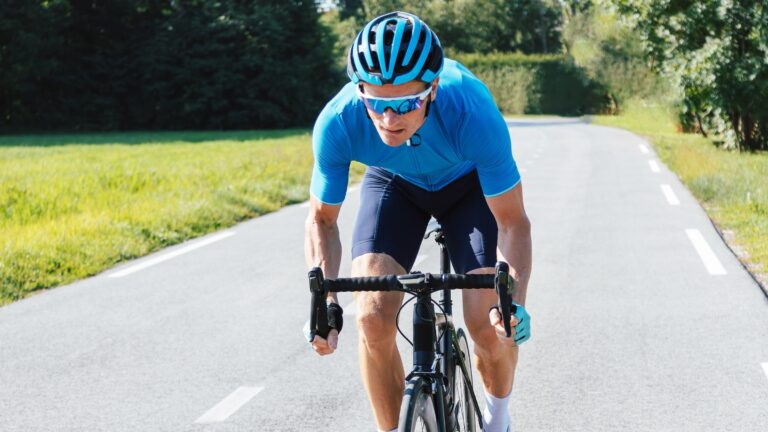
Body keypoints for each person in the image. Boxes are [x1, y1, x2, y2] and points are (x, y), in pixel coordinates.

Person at [304, 11, 532, 432]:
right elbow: (322, 219)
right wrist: (326, 302)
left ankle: (498, 420)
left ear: (433, 90)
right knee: (371, 316)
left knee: (487, 322)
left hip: (467, 186)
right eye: (377, 103)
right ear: (360, 93)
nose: (390, 120)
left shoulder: (472, 111)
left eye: (406, 103)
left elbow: (514, 222)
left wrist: (512, 299)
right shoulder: (339, 121)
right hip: (395, 185)